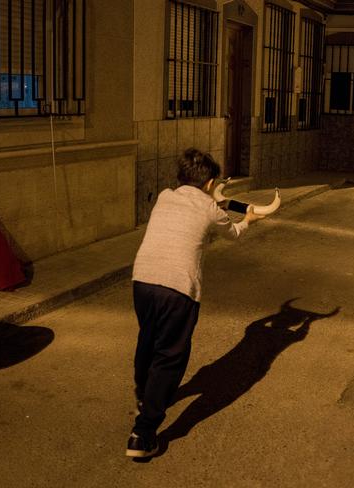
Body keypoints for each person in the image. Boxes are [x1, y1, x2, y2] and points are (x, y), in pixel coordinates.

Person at [126, 148, 264, 458]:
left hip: (143, 280)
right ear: (211, 182)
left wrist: (214, 192)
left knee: (147, 340)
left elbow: (195, 205)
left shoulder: (165, 196)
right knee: (170, 356)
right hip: (178, 288)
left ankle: (142, 394)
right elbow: (234, 233)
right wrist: (249, 218)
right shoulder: (212, 210)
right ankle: (143, 434)